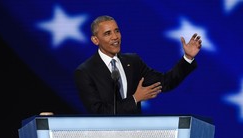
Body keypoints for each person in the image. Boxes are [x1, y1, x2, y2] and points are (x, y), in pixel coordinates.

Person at [74, 15, 202, 115]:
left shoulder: (133, 62)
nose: (115, 37)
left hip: (135, 136)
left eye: (117, 31)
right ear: (95, 40)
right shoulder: (85, 71)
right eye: (108, 33)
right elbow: (98, 111)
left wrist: (187, 58)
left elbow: (165, 82)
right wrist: (135, 99)